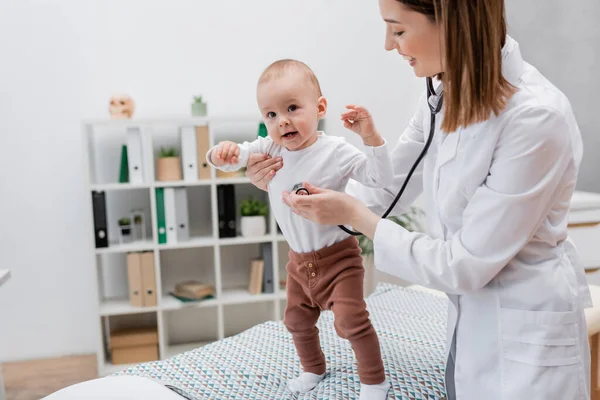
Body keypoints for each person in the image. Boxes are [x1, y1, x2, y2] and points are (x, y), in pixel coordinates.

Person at [244, 0, 593, 399]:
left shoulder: (535, 118)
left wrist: (358, 217)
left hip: (525, 344)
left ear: (452, 23)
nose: (390, 45)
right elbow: (387, 186)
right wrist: (285, 180)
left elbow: (464, 264)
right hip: (470, 328)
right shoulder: (444, 95)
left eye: (398, 29)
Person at [206, 59, 394, 399]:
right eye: (271, 115)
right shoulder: (270, 147)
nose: (283, 121)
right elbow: (235, 159)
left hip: (339, 260)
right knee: (296, 321)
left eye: (292, 108)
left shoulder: (335, 152)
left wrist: (372, 139)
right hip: (298, 263)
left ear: (319, 108)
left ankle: (374, 380)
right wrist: (219, 154)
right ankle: (313, 368)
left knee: (350, 321)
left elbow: (381, 180)